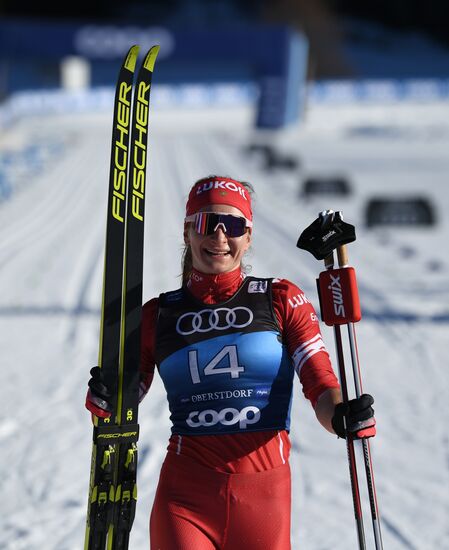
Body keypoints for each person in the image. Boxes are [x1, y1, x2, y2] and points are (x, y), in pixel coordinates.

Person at [86, 175, 376, 550]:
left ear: (249, 236)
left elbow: (320, 384)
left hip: (263, 500)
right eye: (208, 224)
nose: (220, 237)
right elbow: (124, 401)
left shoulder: (281, 300)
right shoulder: (158, 315)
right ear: (189, 231)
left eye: (234, 225)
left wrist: (342, 416)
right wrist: (105, 398)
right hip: (185, 497)